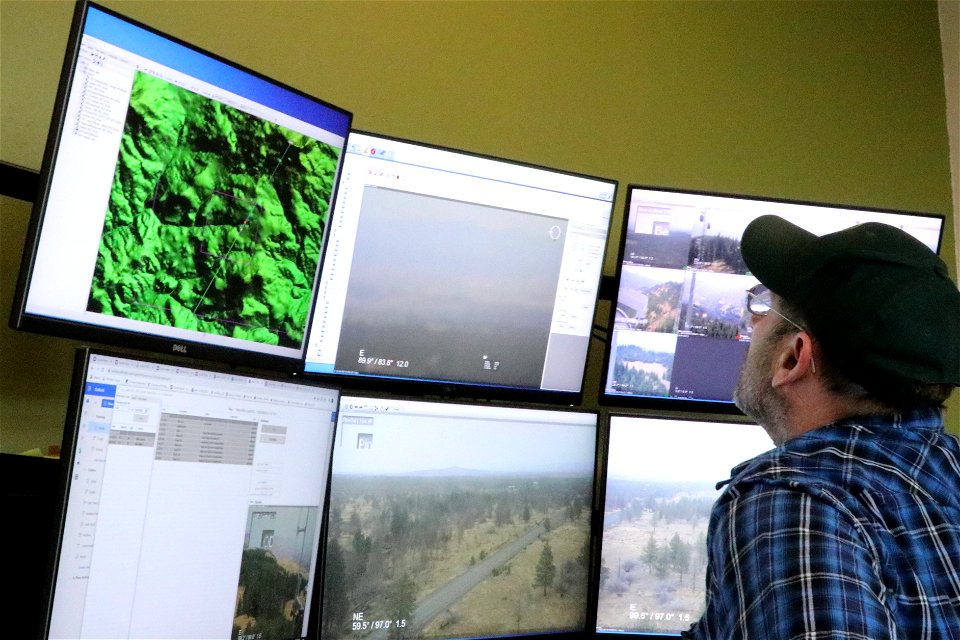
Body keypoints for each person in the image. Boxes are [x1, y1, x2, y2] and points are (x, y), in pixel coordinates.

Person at [683, 214, 960, 639]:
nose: (752, 323)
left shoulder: (795, 502)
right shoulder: (947, 472)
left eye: (762, 307)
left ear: (794, 357)